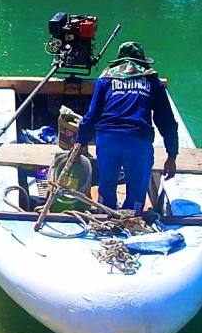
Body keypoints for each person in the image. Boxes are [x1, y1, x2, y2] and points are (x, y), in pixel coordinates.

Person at [76, 41, 178, 212]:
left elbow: (92, 115)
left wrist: (81, 141)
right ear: (143, 61)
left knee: (106, 184)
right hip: (138, 139)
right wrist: (172, 155)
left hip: (108, 138)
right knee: (138, 190)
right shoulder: (153, 82)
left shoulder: (106, 78)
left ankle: (104, 214)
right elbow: (166, 121)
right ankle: (132, 217)